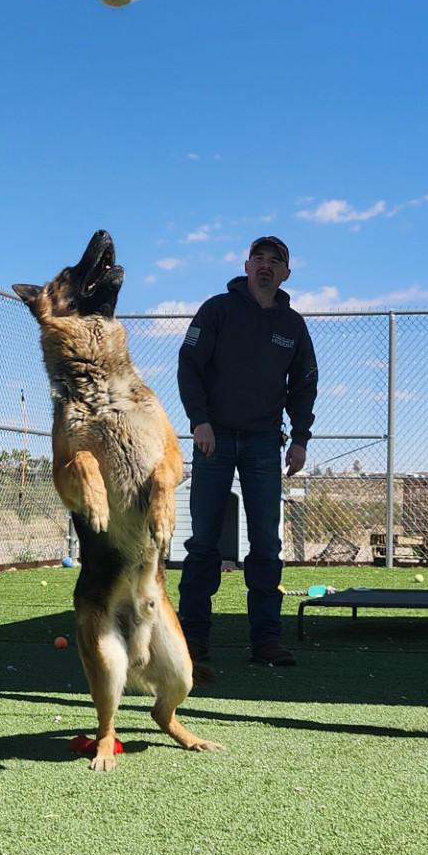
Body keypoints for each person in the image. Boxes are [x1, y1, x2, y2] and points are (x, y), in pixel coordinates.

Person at [176, 235, 318, 676]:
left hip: (262, 445)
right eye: (259, 257)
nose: (266, 265)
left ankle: (266, 640)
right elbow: (189, 365)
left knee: (266, 544)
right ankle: (192, 638)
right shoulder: (217, 309)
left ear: (285, 274)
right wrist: (199, 420)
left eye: (275, 260)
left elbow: (305, 384)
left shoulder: (293, 326)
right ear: (246, 265)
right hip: (213, 439)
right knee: (203, 542)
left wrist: (300, 438)